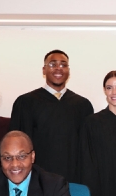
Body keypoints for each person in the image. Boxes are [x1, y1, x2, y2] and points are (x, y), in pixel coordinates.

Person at [9, 50, 94, 183]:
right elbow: (15, 147)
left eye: (63, 65)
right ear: (44, 70)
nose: (58, 68)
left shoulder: (83, 106)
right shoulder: (25, 103)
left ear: (68, 70)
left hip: (73, 181)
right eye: (52, 64)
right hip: (36, 181)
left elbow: (88, 152)